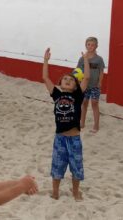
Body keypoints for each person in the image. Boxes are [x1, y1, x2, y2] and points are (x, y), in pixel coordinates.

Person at [43, 48, 90, 200]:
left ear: (76, 86)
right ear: (60, 84)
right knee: (57, 167)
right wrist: (46, 60)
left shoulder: (77, 96)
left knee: (76, 168)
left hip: (74, 139)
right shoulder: (57, 94)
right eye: (65, 79)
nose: (68, 80)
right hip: (60, 139)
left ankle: (76, 192)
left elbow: (87, 78)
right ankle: (55, 192)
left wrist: (86, 61)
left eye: (71, 80)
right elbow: (45, 78)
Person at [77, 37, 105, 133]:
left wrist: (100, 82)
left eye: (92, 45)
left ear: (96, 46)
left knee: (94, 103)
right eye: (88, 44)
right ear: (86, 45)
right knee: (84, 103)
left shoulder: (99, 59)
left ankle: (96, 125)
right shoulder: (82, 59)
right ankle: (82, 123)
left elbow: (101, 72)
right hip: (85, 85)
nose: (90, 46)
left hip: (94, 86)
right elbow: (78, 71)